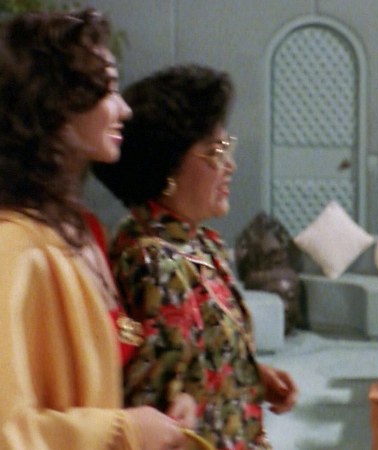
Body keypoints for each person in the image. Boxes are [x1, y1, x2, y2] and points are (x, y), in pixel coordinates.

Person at [0, 8, 193, 450]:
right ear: (51, 103)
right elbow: (8, 431)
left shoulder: (83, 228)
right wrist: (124, 431)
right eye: (106, 90)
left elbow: (107, 363)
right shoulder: (14, 248)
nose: (124, 109)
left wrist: (160, 407)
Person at [93, 64, 298, 450]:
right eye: (216, 152)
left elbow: (195, 362)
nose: (230, 165)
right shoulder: (155, 263)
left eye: (228, 147)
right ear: (168, 169)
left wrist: (249, 375)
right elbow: (157, 411)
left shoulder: (199, 242)